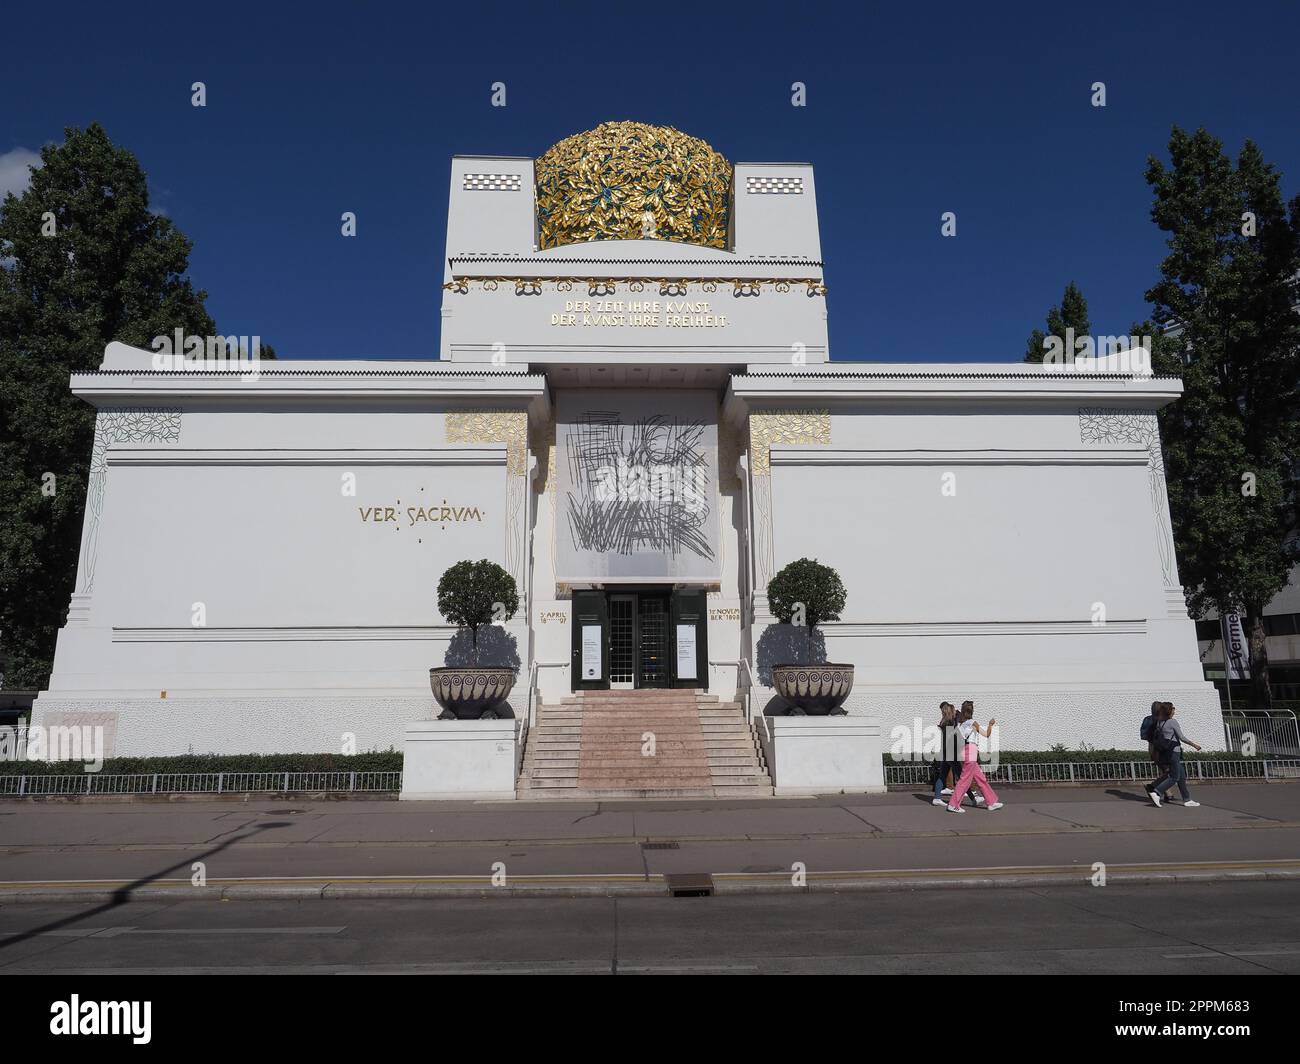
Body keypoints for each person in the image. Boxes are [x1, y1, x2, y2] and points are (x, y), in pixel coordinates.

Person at [946, 702, 1004, 813]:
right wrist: (991, 724)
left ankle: (991, 802)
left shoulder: (959, 724)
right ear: (972, 711)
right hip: (971, 751)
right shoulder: (973, 723)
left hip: (964, 751)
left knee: (980, 778)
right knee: (965, 780)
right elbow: (986, 734)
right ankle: (953, 804)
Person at [1150, 703, 1202, 807]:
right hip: (1174, 751)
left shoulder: (1160, 722)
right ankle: (1156, 792)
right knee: (1174, 777)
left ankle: (1187, 799)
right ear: (1169, 711)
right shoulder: (1172, 722)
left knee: (1181, 776)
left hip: (1168, 751)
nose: (1174, 710)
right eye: (1173, 708)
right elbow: (1181, 737)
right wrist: (1194, 745)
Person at [931, 702, 963, 806]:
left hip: (945, 752)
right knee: (962, 777)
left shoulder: (944, 721)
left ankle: (937, 798)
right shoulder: (950, 722)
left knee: (942, 776)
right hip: (950, 753)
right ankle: (972, 797)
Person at [1141, 700, 1166, 796]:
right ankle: (1154, 788)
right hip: (1161, 747)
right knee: (1167, 771)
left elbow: (1143, 735)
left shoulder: (1147, 719)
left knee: (1164, 770)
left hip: (1151, 746)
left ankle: (1167, 793)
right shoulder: (1162, 720)